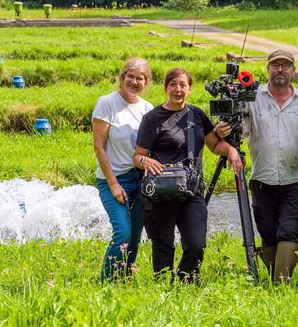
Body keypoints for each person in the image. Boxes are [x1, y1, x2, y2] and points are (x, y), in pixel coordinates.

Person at [133, 68, 243, 283]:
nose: (178, 89)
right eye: (173, 84)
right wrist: (146, 161)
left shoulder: (197, 115)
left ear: (190, 89)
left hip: (191, 191)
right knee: (163, 245)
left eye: (183, 85)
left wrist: (231, 151)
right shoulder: (152, 118)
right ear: (166, 88)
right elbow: (138, 156)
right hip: (160, 192)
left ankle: (186, 283)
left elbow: (214, 144)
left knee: (196, 243)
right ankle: (163, 287)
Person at [215, 50, 298, 283]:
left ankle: (281, 283)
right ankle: (273, 280)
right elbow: (243, 128)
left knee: (289, 231)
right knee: (268, 233)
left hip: (295, 177)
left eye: (285, 65)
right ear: (268, 69)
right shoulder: (253, 97)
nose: (280, 69)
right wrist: (225, 128)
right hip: (262, 177)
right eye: (275, 65)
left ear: (293, 70)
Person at [92, 57, 154, 281]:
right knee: (123, 233)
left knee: (136, 235)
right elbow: (99, 147)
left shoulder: (148, 109)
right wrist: (113, 184)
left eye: (140, 78)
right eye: (131, 76)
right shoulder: (106, 103)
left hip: (140, 179)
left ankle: (125, 277)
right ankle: (107, 282)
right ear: (122, 77)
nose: (135, 82)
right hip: (114, 178)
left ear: (146, 82)